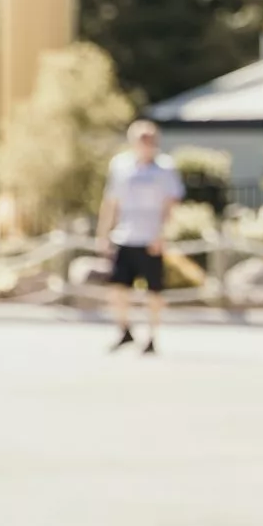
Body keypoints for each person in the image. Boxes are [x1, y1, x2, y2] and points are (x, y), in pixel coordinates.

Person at [97, 121, 184, 355]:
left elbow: (171, 205)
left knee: (153, 291)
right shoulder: (121, 166)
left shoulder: (165, 168)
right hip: (125, 235)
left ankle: (152, 337)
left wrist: (162, 235)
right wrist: (103, 233)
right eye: (141, 139)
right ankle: (124, 330)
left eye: (150, 139)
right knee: (117, 288)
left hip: (150, 238)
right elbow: (111, 201)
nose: (146, 144)